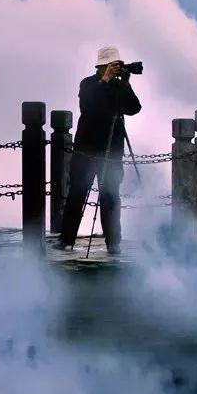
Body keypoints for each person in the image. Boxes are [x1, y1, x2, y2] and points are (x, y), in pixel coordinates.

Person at [55, 46, 141, 253]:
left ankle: (113, 243)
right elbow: (88, 105)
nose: (114, 69)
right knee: (77, 194)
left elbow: (134, 109)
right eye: (110, 66)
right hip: (86, 150)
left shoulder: (119, 87)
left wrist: (126, 84)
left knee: (110, 197)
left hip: (111, 153)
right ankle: (66, 239)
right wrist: (105, 81)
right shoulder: (89, 84)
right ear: (101, 67)